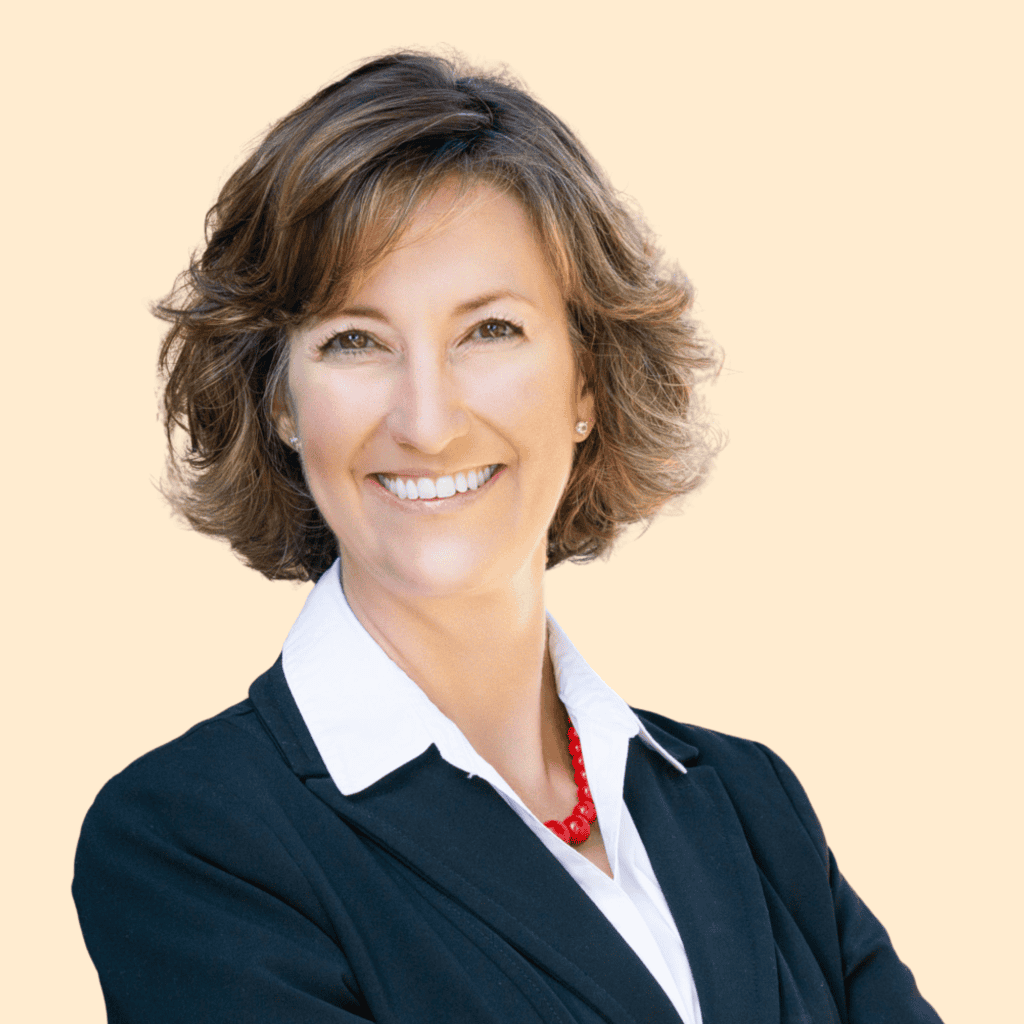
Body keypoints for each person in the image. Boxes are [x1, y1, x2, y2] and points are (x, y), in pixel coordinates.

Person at [72, 50, 944, 1024]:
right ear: (279, 399)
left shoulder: (750, 805)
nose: (428, 418)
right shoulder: (191, 840)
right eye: (353, 340)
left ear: (585, 382)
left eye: (489, 330)